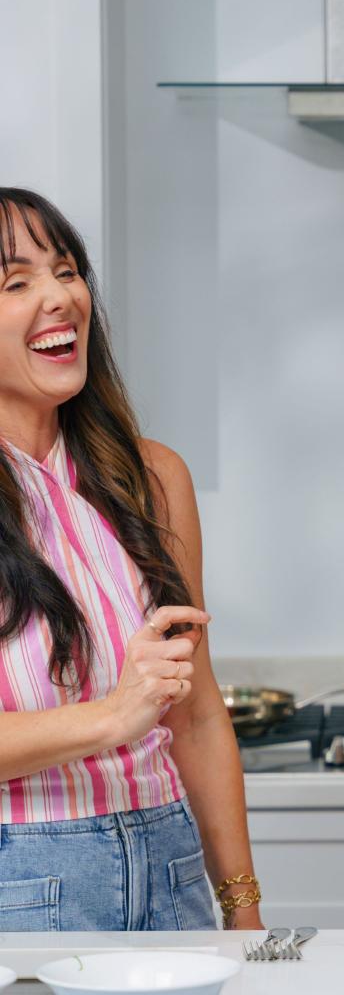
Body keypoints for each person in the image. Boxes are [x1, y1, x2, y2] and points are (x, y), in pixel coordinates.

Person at [0, 188, 262, 931]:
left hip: (173, 869)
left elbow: (198, 718)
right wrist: (113, 716)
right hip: (21, 883)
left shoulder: (152, 479)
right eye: (16, 283)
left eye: (66, 270)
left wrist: (243, 910)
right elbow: (135, 713)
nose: (60, 297)